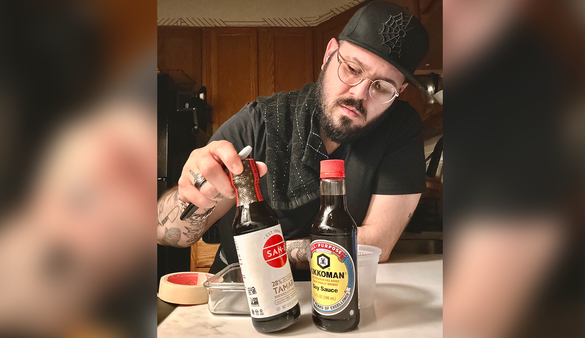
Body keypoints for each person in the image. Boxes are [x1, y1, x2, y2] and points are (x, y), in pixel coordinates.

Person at [157, 1, 430, 279]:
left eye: (382, 87)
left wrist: (263, 254)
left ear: (400, 91)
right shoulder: (257, 123)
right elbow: (169, 236)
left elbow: (378, 243)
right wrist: (188, 197)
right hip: (246, 290)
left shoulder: (400, 128)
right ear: (329, 54)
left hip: (341, 288)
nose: (359, 94)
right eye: (351, 69)